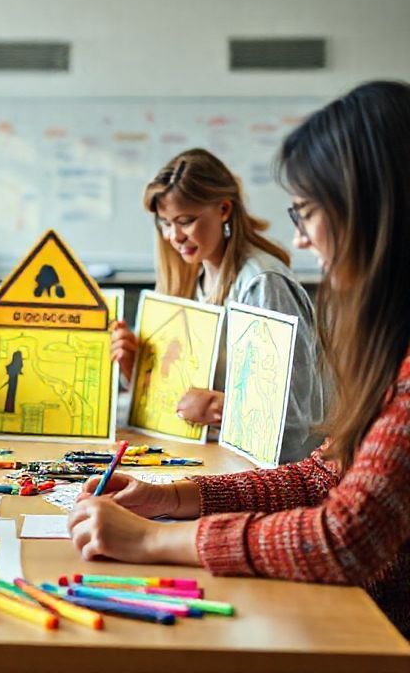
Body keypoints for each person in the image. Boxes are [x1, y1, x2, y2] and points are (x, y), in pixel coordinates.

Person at [68, 80, 410, 638]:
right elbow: (324, 473)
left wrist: (153, 539)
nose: (301, 241)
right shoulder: (388, 342)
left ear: (368, 211)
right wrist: (174, 498)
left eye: (306, 213)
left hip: (375, 635)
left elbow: (346, 537)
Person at [112, 148, 324, 462]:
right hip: (213, 457)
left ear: (224, 209)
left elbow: (292, 419)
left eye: (185, 221)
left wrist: (220, 409)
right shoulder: (191, 278)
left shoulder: (262, 282)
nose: (174, 236)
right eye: (164, 224)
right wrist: (139, 375)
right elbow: (190, 395)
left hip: (272, 473)